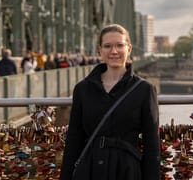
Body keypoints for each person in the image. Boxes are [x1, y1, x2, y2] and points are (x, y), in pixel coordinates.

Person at [60, 24, 160, 180]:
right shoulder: (83, 89)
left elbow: (152, 144)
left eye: (120, 45)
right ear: (100, 50)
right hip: (90, 169)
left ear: (129, 49)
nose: (114, 51)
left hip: (127, 170)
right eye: (107, 46)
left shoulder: (144, 90)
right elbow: (74, 139)